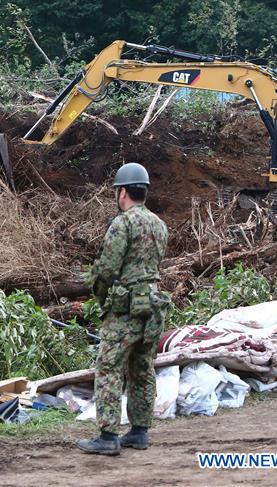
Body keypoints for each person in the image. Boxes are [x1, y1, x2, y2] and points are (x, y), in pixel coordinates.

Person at [77, 162, 169, 456]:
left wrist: (101, 298)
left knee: (109, 367)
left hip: (126, 308)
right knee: (142, 368)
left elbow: (106, 270)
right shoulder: (159, 223)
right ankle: (139, 432)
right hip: (153, 307)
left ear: (123, 192)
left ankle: (107, 435)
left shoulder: (123, 223)